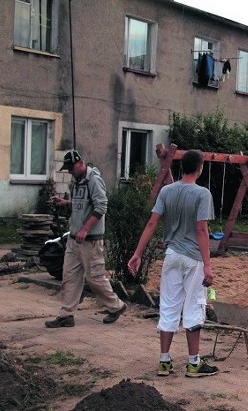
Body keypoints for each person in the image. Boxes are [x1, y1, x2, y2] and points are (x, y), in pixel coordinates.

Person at [127, 149, 219, 378]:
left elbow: (152, 223)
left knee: (168, 307)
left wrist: (137, 253)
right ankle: (193, 363)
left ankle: (164, 361)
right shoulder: (202, 194)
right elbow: (201, 229)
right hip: (193, 258)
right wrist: (208, 265)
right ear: (200, 168)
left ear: (181, 167)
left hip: (171, 255)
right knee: (195, 307)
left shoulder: (167, 191)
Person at [45, 150, 126, 328]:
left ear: (81, 164)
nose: (70, 172)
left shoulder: (94, 180)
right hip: (74, 239)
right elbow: (82, 204)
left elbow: (101, 205)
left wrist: (85, 229)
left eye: (71, 168)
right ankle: (66, 314)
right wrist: (65, 203)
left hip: (90, 239)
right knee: (69, 276)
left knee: (94, 277)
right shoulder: (77, 182)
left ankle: (116, 306)